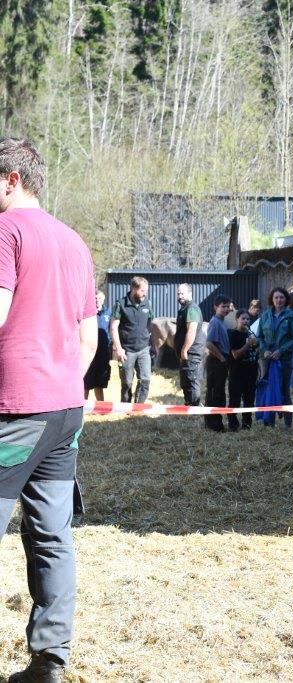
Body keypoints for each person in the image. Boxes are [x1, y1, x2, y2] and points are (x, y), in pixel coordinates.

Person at [0, 137, 97, 682]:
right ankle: (49, 662)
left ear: (12, 179)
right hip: (65, 410)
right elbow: (89, 339)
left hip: (17, 407)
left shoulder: (6, 231)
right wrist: (60, 383)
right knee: (52, 536)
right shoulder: (74, 241)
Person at [256, 287, 293, 428]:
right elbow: (259, 337)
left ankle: (288, 424)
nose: (279, 300)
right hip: (267, 359)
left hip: (284, 359)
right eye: (276, 297)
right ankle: (269, 422)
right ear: (272, 299)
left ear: (286, 299)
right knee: (267, 388)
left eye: (281, 297)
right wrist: (264, 350)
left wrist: (281, 350)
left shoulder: (292, 316)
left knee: (284, 390)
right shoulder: (265, 315)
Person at [109, 275, 154, 404]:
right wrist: (118, 349)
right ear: (134, 289)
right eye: (142, 291)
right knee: (127, 383)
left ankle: (138, 409)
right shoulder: (120, 304)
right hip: (126, 351)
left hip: (144, 349)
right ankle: (126, 408)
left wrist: (152, 343)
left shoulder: (147, 303)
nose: (145, 294)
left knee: (145, 381)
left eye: (146, 291)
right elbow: (113, 327)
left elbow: (150, 324)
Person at [227, 310, 260, 431]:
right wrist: (247, 345)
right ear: (237, 319)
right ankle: (233, 425)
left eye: (248, 319)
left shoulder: (251, 333)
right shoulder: (233, 334)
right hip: (237, 373)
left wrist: (256, 344)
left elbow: (257, 350)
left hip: (251, 373)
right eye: (243, 319)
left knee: (249, 400)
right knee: (235, 400)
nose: (246, 321)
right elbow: (235, 355)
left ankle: (247, 424)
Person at [204, 296, 232, 432]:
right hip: (216, 361)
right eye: (223, 306)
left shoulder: (222, 321)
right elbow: (209, 343)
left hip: (221, 360)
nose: (226, 309)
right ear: (216, 307)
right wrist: (221, 357)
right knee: (215, 393)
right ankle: (214, 425)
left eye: (227, 306)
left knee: (219, 392)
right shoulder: (215, 322)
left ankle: (216, 423)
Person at [174, 283, 205, 406]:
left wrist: (184, 350)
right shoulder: (184, 309)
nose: (180, 296)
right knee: (185, 381)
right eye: (178, 294)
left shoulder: (191, 308)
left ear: (190, 293)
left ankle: (194, 409)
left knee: (191, 380)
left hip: (191, 352)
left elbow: (191, 331)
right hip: (187, 353)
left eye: (182, 293)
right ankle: (189, 406)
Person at [84, 290, 112, 401]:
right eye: (95, 298)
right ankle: (82, 407)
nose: (97, 300)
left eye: (100, 298)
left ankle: (101, 407)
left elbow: (112, 329)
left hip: (103, 352)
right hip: (89, 352)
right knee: (86, 384)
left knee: (99, 384)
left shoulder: (109, 312)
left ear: (103, 299)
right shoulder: (87, 312)